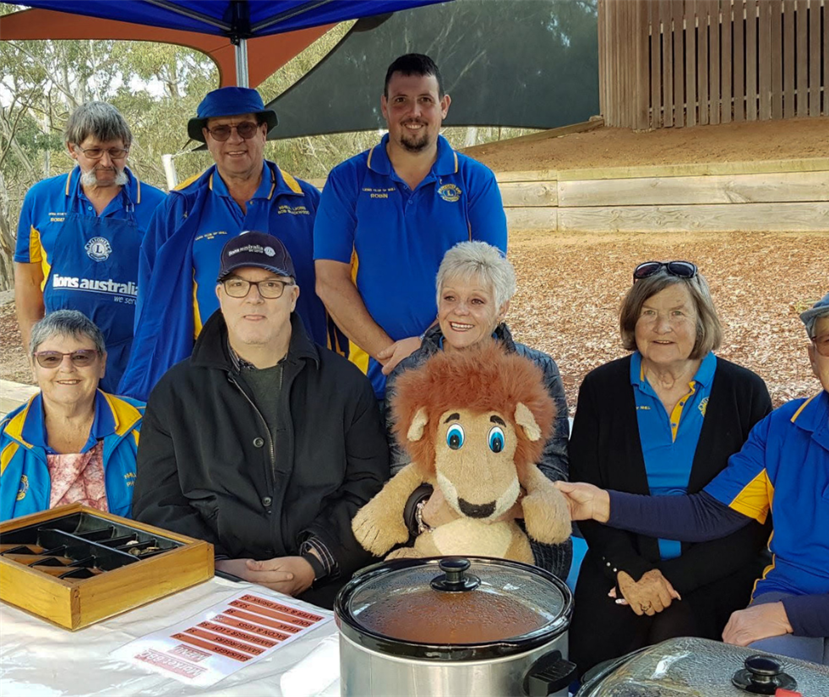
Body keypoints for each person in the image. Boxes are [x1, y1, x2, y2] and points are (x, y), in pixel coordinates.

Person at [558, 283, 829, 697]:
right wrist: (602, 503)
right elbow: (710, 513)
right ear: (812, 355)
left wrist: (789, 616)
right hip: (782, 604)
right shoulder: (785, 428)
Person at [131, 233, 387, 608]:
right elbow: (157, 503)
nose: (253, 297)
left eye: (270, 285)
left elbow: (369, 488)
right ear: (219, 295)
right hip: (209, 594)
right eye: (238, 285)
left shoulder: (346, 385)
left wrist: (313, 562)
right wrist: (216, 566)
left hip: (328, 590)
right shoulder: (175, 393)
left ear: (293, 296)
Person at [568, 260, 773, 675]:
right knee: (596, 670)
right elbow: (583, 494)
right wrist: (632, 571)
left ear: (702, 321)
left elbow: (753, 520)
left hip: (713, 572)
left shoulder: (743, 392)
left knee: (678, 652)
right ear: (633, 320)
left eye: (678, 313)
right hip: (620, 568)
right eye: (649, 313)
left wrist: (670, 580)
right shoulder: (601, 388)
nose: (662, 326)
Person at [314, 53, 507, 398]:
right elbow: (330, 281)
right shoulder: (347, 181)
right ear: (385, 106)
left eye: (425, 101)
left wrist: (424, 348)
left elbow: (491, 285)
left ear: (444, 106)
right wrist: (392, 355)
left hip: (460, 369)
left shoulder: (476, 181)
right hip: (373, 374)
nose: (414, 112)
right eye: (401, 100)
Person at [120, 87, 325, 401]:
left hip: (298, 377)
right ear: (207, 137)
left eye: (245, 127)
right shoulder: (179, 208)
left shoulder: (308, 202)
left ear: (263, 131)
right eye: (220, 130)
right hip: (212, 383)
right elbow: (153, 304)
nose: (234, 140)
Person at [385, 241, 572, 578]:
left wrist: (505, 505)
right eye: (450, 298)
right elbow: (399, 466)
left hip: (517, 531)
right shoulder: (409, 374)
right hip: (436, 532)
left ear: (501, 309)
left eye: (476, 301)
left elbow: (555, 464)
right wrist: (423, 511)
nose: (460, 311)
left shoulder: (538, 369)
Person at [14, 102, 166, 392]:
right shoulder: (41, 199)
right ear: (73, 150)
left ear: (128, 148)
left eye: (116, 151)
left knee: (131, 434)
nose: (106, 162)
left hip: (133, 357)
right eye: (94, 152)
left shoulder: (159, 205)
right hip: (64, 358)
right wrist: (35, 352)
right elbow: (28, 279)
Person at [1, 310, 144, 521]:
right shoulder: (5, 440)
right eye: (50, 359)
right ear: (33, 367)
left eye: (81, 357)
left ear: (102, 363)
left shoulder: (146, 424)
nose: (67, 368)